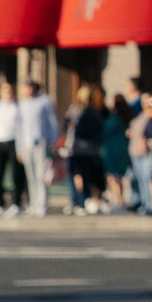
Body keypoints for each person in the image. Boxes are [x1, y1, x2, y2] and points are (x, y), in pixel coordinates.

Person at [17, 80, 60, 220]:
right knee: (31, 176)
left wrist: (53, 140)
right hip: (26, 144)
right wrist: (19, 148)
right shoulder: (22, 104)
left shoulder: (44, 101)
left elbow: (52, 121)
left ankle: (42, 204)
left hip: (42, 143)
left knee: (41, 176)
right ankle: (33, 204)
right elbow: (19, 128)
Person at [0, 80, 26, 217]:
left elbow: (23, 127)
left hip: (15, 142)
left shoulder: (18, 107)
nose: (9, 93)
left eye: (11, 90)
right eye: (6, 90)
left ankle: (16, 203)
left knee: (16, 174)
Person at [63, 83, 105, 213]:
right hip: (78, 148)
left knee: (80, 175)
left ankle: (80, 201)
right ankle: (79, 201)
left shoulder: (89, 111)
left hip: (82, 148)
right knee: (78, 175)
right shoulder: (88, 110)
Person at [102, 92, 133, 211]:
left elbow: (104, 132)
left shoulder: (113, 119)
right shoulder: (126, 116)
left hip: (111, 149)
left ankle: (118, 200)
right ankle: (121, 200)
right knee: (119, 176)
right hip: (123, 148)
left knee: (112, 176)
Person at [127, 91, 152, 216]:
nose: (145, 104)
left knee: (148, 178)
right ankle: (144, 203)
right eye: (143, 102)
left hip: (146, 152)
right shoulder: (140, 115)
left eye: (147, 101)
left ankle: (151, 204)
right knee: (140, 179)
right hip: (135, 151)